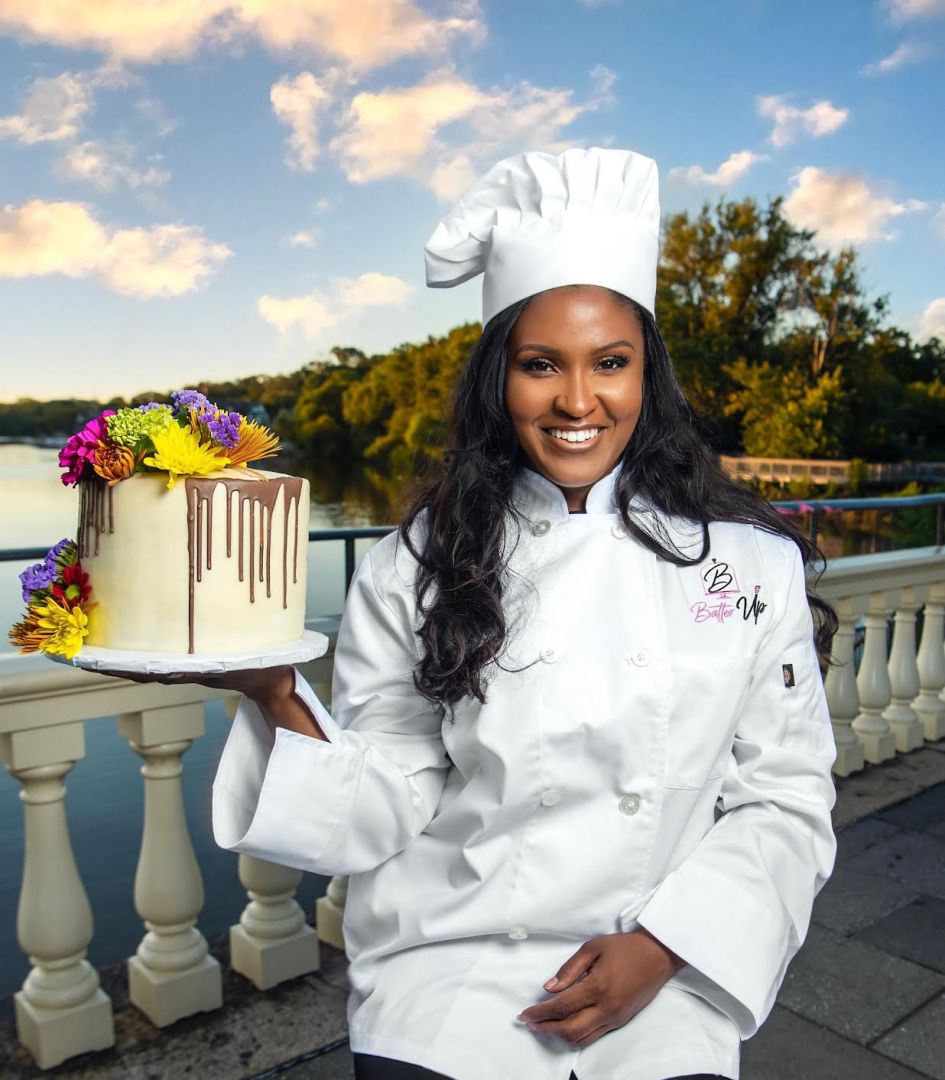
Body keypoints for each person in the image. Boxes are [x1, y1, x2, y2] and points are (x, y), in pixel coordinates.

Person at [122, 148, 839, 1080]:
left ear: (644, 378)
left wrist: (663, 948)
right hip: (447, 975)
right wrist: (273, 693)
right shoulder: (416, 565)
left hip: (664, 978)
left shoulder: (749, 566)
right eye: (542, 365)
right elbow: (386, 800)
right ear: (500, 381)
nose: (577, 400)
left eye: (609, 364)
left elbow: (783, 800)